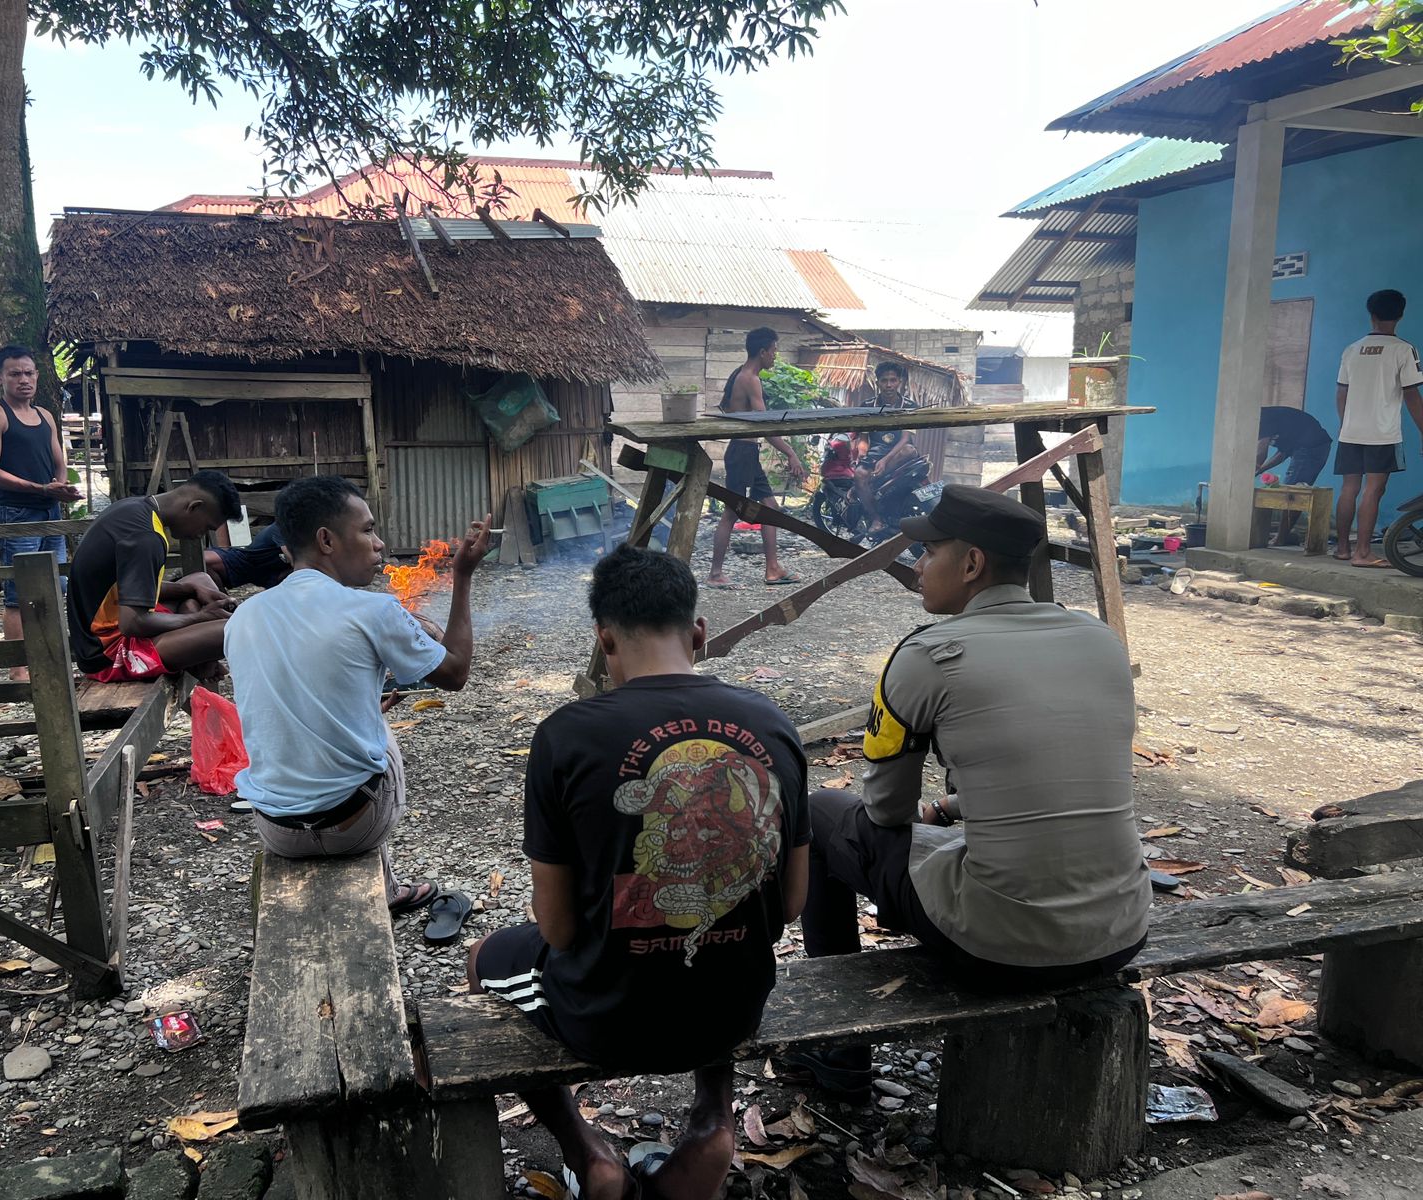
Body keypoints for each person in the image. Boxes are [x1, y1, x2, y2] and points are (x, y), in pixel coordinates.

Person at [782, 485, 1150, 1100]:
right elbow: (1050, 775)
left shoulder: (928, 654)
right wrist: (953, 807)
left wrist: (928, 813)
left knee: (821, 813)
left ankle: (838, 1057)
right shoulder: (1101, 642)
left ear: (972, 563)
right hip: (1119, 929)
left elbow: (885, 811)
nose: (919, 565)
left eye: (929, 551)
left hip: (1000, 947)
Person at [467, 545, 809, 1200]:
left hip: (609, 1022)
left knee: (485, 959)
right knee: (714, 937)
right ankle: (713, 1121)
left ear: (603, 640)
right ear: (699, 633)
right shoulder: (773, 723)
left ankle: (586, 1150)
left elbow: (560, 931)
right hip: (734, 1009)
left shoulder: (566, 736)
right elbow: (791, 904)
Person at [225, 475, 490, 926]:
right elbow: (456, 672)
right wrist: (462, 575)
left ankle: (384, 887)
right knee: (379, 734)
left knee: (354, 720)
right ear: (327, 540)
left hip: (276, 829)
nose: (379, 543)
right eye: (367, 530)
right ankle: (385, 887)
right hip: (357, 827)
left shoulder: (244, 616)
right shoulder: (373, 610)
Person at [66, 471, 242, 682]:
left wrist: (192, 589)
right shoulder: (147, 538)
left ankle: (200, 662)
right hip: (108, 653)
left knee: (200, 580)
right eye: (206, 527)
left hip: (110, 623)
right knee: (236, 628)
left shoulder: (134, 508)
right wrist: (201, 618)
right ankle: (200, 662)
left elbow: (131, 588)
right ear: (193, 507)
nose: (200, 535)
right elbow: (133, 623)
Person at [0, 345, 83, 681]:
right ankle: (19, 668)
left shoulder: (45, 415)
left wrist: (60, 487)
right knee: (18, 593)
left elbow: (58, 461)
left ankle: (49, 656)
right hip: (16, 512)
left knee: (54, 585)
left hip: (50, 511)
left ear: (37, 375)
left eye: (29, 373)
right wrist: (38, 489)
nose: (24, 380)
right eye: (15, 373)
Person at [706, 328, 807, 589]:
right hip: (742, 454)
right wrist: (791, 453)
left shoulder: (741, 375)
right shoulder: (750, 379)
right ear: (762, 352)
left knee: (770, 508)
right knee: (731, 512)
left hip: (746, 453)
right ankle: (715, 574)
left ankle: (772, 569)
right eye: (774, 350)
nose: (775, 355)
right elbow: (764, 426)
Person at [1334, 289, 1423, 566]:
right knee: (1373, 489)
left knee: (1349, 488)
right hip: (1381, 434)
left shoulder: (1351, 349)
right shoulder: (1403, 350)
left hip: (1350, 432)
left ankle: (1342, 549)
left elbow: (1341, 393)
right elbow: (1412, 396)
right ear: (1401, 315)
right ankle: (1363, 553)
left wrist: (1346, 425)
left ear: (1371, 315)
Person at [853, 361, 923, 536]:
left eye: (893, 380)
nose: (889, 385)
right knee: (860, 474)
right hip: (876, 453)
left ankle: (870, 482)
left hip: (900, 453)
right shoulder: (868, 406)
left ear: (900, 381)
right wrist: (861, 453)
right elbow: (863, 438)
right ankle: (876, 519)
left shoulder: (909, 406)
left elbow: (906, 438)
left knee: (910, 450)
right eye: (884, 380)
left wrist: (885, 461)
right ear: (878, 383)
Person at [1255, 406, 1333, 545]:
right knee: (1294, 490)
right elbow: (1282, 454)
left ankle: (1280, 538)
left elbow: (1261, 452)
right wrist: (1260, 470)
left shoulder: (1262, 418)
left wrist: (1252, 468)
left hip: (1312, 446)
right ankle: (1283, 535)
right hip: (1316, 445)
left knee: (1292, 494)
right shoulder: (1279, 423)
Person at [205, 521, 291, 591]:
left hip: (274, 574)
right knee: (205, 561)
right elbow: (292, 557)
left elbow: (295, 561)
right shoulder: (281, 527)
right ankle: (222, 601)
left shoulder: (301, 532)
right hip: (246, 562)